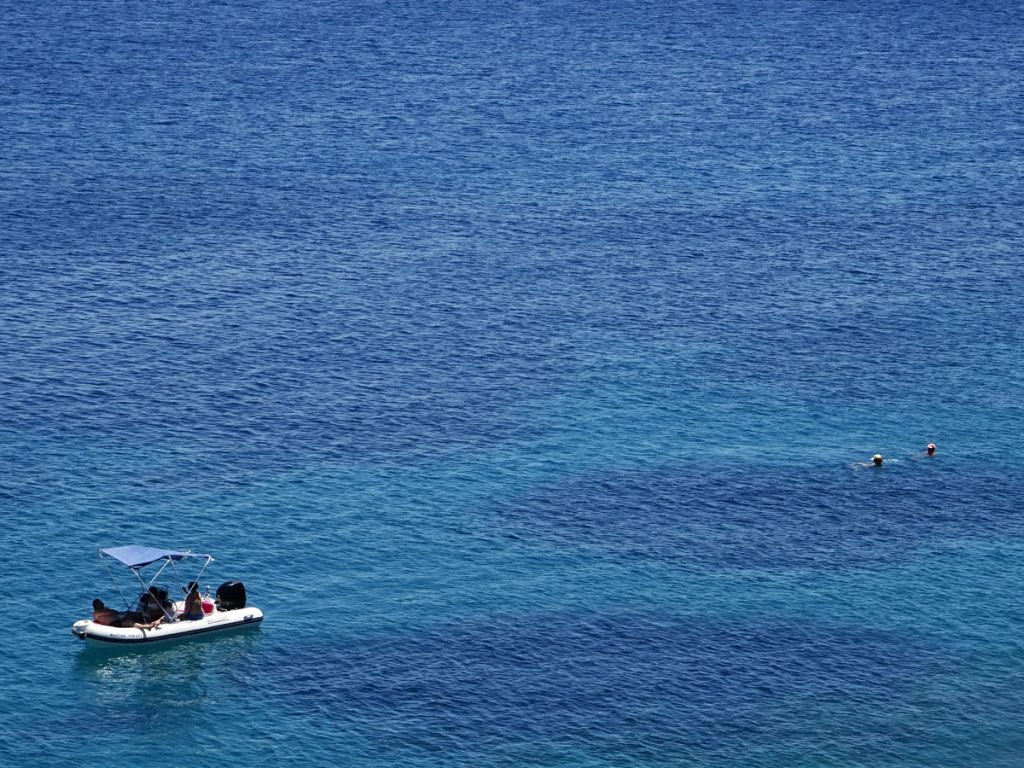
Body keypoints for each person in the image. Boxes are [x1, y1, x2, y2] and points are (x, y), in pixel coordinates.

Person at [92, 598, 163, 629]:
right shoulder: (97, 612)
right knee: (130, 622)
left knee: (132, 614)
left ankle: (149, 621)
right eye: (101, 603)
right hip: (114, 622)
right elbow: (113, 612)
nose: (103, 603)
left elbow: (113, 612)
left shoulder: (102, 611)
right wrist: (112, 611)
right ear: (97, 605)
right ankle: (146, 626)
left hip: (118, 618)